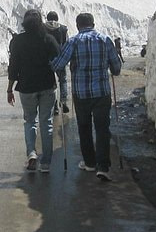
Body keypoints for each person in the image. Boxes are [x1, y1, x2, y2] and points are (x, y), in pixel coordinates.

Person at [51, 12, 122, 181]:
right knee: (102, 129)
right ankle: (103, 167)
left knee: (84, 128)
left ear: (77, 26)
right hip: (102, 93)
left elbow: (58, 65)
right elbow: (117, 68)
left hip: (81, 94)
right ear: (93, 24)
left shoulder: (73, 41)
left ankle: (90, 163)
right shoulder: (105, 40)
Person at [7, 9, 60, 173]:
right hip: (47, 86)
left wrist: (9, 89)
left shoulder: (17, 41)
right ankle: (46, 163)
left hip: (27, 87)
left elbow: (13, 67)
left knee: (30, 121)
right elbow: (58, 61)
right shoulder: (48, 39)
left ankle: (31, 153)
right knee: (46, 122)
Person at [44, 11, 69, 114]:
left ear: (47, 18)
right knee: (63, 80)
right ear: (57, 18)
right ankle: (63, 101)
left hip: (47, 59)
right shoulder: (63, 28)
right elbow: (67, 43)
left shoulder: (43, 28)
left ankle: (55, 106)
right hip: (60, 58)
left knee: (51, 83)